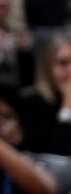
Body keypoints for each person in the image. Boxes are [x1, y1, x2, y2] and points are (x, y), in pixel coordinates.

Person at [19, 27, 71, 156]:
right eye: (63, 63)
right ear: (48, 68)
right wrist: (67, 109)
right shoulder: (32, 103)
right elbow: (51, 160)